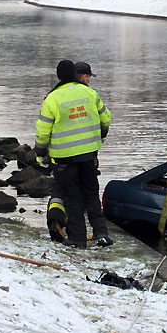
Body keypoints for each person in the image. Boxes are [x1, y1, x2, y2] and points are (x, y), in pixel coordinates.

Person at [35, 59, 112, 248]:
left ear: (59, 76)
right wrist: (99, 137)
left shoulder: (52, 98)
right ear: (75, 75)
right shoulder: (90, 93)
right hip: (89, 155)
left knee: (72, 198)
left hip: (64, 158)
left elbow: (43, 130)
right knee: (92, 194)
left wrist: (40, 152)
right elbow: (106, 119)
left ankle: (78, 238)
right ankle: (102, 234)